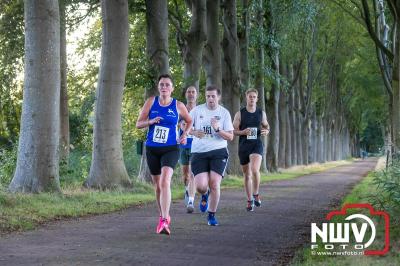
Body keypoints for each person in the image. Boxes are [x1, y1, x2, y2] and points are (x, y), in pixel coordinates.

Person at [136, 74, 192, 235]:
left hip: (171, 148)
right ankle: (162, 215)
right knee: (157, 185)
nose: (164, 87)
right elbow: (138, 124)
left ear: (172, 88)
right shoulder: (151, 102)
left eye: (167, 85)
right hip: (152, 148)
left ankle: (165, 219)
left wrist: (184, 134)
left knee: (165, 181)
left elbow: (189, 121)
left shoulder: (178, 105)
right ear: (158, 87)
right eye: (161, 85)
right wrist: (150, 122)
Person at [190, 85, 234, 226]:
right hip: (199, 152)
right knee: (201, 187)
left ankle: (211, 215)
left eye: (213, 96)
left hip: (218, 151)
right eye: (208, 96)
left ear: (218, 97)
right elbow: (184, 126)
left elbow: (230, 137)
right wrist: (194, 132)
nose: (210, 98)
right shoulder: (197, 111)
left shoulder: (224, 113)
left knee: (214, 183)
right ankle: (204, 194)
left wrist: (218, 129)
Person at [233, 88, 270, 212]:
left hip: (256, 144)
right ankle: (249, 201)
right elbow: (233, 130)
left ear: (257, 99)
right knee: (247, 174)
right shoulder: (240, 113)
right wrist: (243, 132)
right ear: (246, 97)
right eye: (250, 96)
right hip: (244, 145)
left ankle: (256, 194)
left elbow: (266, 125)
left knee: (254, 169)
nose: (252, 98)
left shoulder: (261, 113)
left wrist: (267, 130)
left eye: (254, 96)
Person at [179, 86, 198, 213]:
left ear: (197, 95)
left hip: (196, 145)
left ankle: (191, 200)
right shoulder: (181, 110)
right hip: (183, 145)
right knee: (185, 175)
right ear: (186, 94)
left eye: (193, 92)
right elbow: (178, 124)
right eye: (189, 92)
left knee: (192, 173)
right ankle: (187, 190)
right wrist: (181, 126)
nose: (191, 94)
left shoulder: (200, 110)